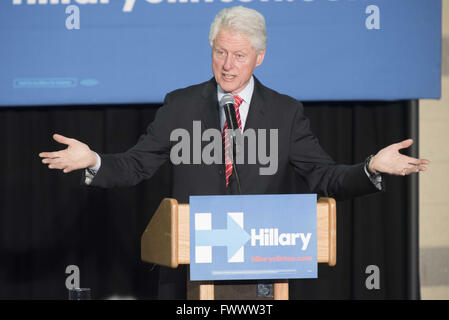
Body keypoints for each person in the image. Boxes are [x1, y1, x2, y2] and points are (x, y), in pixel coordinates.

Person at [39, 6, 429, 298]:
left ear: (260, 56)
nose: (227, 66)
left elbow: (324, 177)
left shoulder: (285, 112)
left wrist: (370, 168)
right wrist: (95, 161)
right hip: (188, 271)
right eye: (220, 52)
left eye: (239, 56)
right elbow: (138, 164)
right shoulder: (181, 105)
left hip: (259, 273)